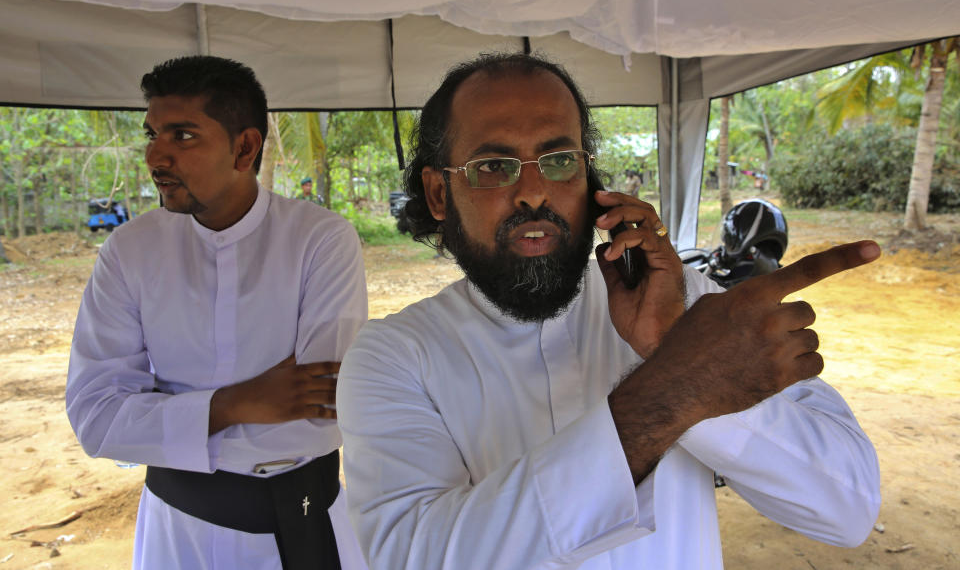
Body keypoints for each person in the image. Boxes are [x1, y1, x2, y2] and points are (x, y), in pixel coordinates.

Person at [336, 53, 882, 570]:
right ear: (437, 194)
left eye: (559, 160)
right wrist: (675, 387)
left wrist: (677, 345)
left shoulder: (687, 304)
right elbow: (419, 557)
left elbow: (847, 509)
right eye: (494, 166)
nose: (533, 191)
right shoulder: (393, 358)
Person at [66, 56, 368, 570]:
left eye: (182, 136)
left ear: (245, 147)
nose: (155, 156)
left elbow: (319, 414)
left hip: (305, 519)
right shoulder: (130, 251)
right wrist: (235, 404)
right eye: (153, 134)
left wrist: (168, 418)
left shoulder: (320, 240)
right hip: (180, 530)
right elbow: (97, 419)